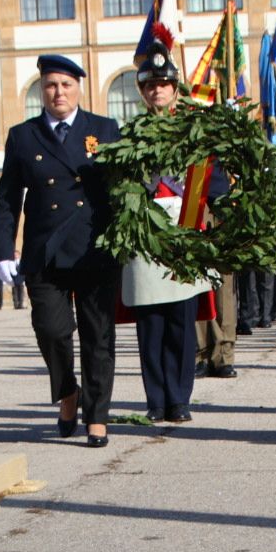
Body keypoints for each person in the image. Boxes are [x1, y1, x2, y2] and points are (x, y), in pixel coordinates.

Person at [0, 54, 122, 449]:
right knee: (52, 330)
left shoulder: (104, 129)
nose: (58, 92)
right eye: (51, 85)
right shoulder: (23, 136)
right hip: (44, 251)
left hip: (94, 247)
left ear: (79, 88)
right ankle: (68, 391)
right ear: (41, 90)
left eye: (66, 85)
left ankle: (96, 416)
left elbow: (124, 186)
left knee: (98, 336)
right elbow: (8, 200)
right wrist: (2, 250)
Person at [120, 50, 204, 424]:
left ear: (175, 89)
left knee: (181, 322)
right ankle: (156, 399)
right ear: (144, 92)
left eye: (164, 84)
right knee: (151, 322)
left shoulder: (193, 130)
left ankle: (180, 398)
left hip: (183, 226)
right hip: (145, 230)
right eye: (151, 85)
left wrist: (191, 224)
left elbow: (205, 179)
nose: (158, 91)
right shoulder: (131, 133)